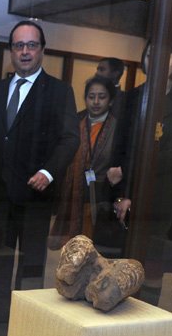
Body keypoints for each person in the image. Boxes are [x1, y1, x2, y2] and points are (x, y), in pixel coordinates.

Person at [0, 20, 78, 331]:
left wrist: (48, 171)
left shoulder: (59, 91)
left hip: (36, 195)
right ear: (11, 51)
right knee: (1, 259)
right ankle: (1, 315)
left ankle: (27, 318)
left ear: (42, 50)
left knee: (32, 260)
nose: (24, 51)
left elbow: (70, 138)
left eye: (31, 45)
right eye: (18, 45)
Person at [115, 31, 172, 286]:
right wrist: (122, 193)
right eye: (151, 55)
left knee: (152, 273)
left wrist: (131, 184)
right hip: (126, 197)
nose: (156, 62)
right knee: (121, 272)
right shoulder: (130, 98)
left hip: (163, 195)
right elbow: (119, 153)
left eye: (166, 56)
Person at [49, 75, 125, 254]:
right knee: (72, 253)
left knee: (96, 252)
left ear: (111, 100)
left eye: (102, 96)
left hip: (102, 195)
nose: (96, 102)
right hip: (74, 193)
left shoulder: (117, 127)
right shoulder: (75, 121)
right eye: (91, 97)